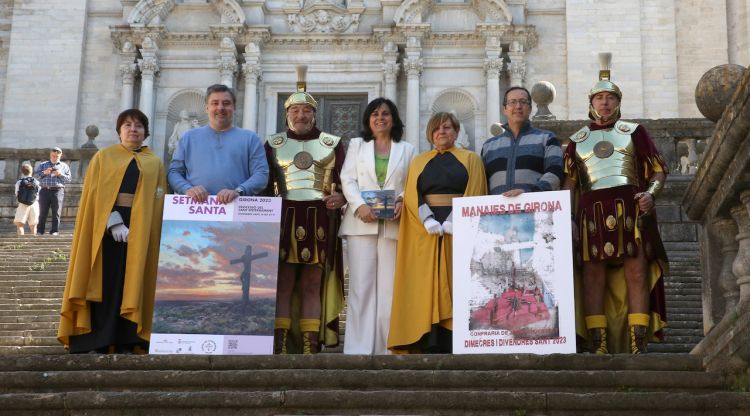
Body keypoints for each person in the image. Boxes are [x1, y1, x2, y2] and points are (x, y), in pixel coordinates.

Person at [563, 60, 668, 354]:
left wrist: (651, 194)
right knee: (592, 273)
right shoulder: (576, 141)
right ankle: (599, 342)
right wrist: (567, 218)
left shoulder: (635, 132)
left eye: (610, 98)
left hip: (630, 208)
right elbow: (569, 184)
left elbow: (659, 170)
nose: (605, 103)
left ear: (618, 102)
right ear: (592, 102)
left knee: (636, 270)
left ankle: (638, 341)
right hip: (590, 212)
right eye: (600, 98)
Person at [58, 109, 166, 354]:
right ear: (119, 130)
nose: (133, 129)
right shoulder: (103, 157)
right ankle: (98, 339)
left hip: (140, 230)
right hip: (105, 232)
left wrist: (143, 226)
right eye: (127, 125)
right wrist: (113, 221)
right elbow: (95, 195)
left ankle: (128, 338)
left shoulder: (154, 163)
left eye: (138, 125)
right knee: (105, 282)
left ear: (146, 132)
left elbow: (157, 200)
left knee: (132, 281)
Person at [388, 112, 487, 353]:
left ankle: (457, 339)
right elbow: (412, 193)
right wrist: (427, 219)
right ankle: (426, 337)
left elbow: (476, 189)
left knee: (457, 280)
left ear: (456, 131)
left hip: (459, 228)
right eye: (437, 129)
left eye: (447, 128)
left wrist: (456, 219)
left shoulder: (471, 159)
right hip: (427, 230)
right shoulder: (419, 161)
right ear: (430, 133)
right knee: (427, 282)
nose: (442, 132)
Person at [265, 69, 346, 354]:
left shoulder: (333, 144)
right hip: (282, 217)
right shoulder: (272, 144)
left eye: (307, 110)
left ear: (314, 114)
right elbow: (264, 184)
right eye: (296, 110)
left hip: (319, 218)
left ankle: (311, 346)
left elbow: (347, 180)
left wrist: (342, 197)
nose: (301, 115)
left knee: (313, 282)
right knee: (283, 281)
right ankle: (282, 345)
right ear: (287, 113)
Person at [339, 97, 417, 355]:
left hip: (393, 224)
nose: (380, 118)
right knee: (361, 286)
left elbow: (411, 183)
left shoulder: (407, 149)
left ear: (393, 119)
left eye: (385, 113)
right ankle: (358, 348)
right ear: (368, 120)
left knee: (390, 288)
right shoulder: (357, 145)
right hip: (362, 221)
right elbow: (347, 178)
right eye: (374, 113)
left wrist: (402, 201)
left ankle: (388, 346)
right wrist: (359, 205)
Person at [168, 84, 269, 203]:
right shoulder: (188, 138)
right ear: (206, 108)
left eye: (226, 103)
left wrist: (239, 191)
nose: (220, 108)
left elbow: (261, 174)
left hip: (236, 210)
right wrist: (188, 189)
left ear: (234, 107)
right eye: (215, 103)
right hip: (196, 210)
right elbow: (174, 172)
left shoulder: (251, 139)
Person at [481, 86, 564, 196]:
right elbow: (481, 183)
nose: (518, 106)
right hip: (496, 211)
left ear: (530, 108)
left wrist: (528, 194)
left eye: (523, 102)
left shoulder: (547, 139)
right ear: (504, 109)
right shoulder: (489, 146)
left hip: (535, 210)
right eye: (512, 102)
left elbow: (555, 172)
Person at [34, 147, 72, 235]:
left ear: (60, 156)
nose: (55, 158)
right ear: (50, 155)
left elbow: (69, 179)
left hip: (58, 191)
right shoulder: (43, 165)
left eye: (57, 156)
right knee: (42, 211)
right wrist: (44, 173)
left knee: (56, 212)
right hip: (44, 190)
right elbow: (36, 176)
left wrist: (60, 174)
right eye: (53, 156)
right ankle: (40, 230)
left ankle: (54, 231)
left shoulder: (64, 166)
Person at [13, 163, 40, 235]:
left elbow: (17, 194)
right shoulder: (36, 182)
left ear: (22, 171)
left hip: (23, 203)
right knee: (33, 225)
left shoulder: (19, 182)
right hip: (34, 203)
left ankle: (20, 242)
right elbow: (38, 193)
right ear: (31, 171)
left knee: (20, 224)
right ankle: (33, 242)